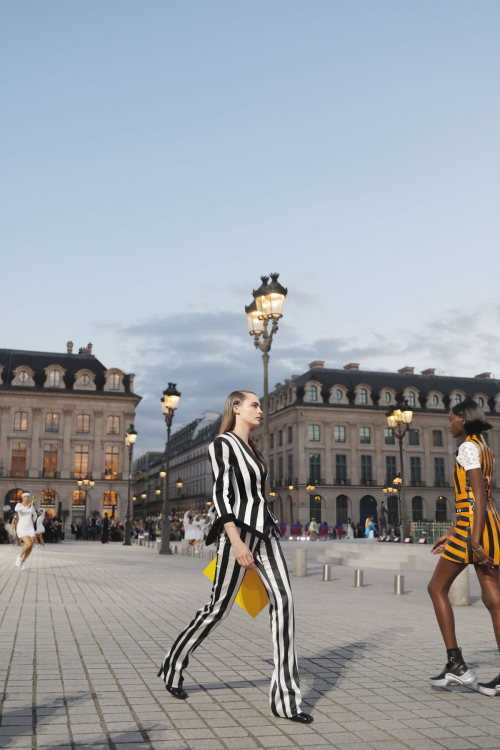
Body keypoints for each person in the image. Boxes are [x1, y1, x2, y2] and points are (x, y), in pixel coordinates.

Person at [158, 390, 312, 724]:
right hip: (237, 534)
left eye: (260, 405)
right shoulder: (222, 445)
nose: (260, 409)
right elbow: (221, 494)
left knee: (284, 602)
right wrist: (236, 541)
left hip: (265, 533)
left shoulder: (256, 451)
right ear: (237, 408)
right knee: (218, 609)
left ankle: (286, 700)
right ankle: (174, 665)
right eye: (254, 404)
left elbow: (257, 496)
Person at [428, 400, 500, 694]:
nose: (449, 424)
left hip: (474, 527)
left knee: (436, 588)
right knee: (494, 600)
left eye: (451, 419)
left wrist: (471, 537)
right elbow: (478, 493)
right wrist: (453, 531)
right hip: (488, 524)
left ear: (463, 419)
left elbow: (478, 494)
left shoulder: (468, 447)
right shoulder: (483, 446)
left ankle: (456, 665)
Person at [14, 492, 37, 570]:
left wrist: (34, 519)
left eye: (28, 497)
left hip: (30, 528)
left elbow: (35, 514)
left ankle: (23, 562)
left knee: (31, 546)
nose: (27, 498)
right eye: (25, 497)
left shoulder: (31, 506)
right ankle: (19, 557)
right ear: (22, 498)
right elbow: (16, 509)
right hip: (21, 528)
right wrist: (26, 507)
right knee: (28, 543)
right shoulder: (19, 505)